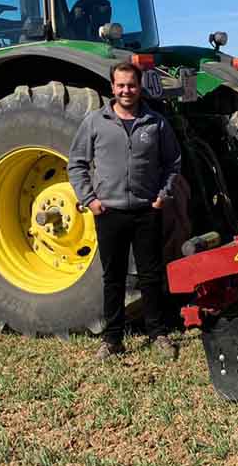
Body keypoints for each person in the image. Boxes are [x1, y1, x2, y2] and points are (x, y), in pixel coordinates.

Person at [68, 62, 182, 360]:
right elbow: (77, 163)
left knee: (150, 275)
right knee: (113, 277)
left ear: (139, 87)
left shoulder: (155, 123)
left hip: (147, 211)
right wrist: (89, 200)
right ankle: (113, 339)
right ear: (112, 88)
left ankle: (158, 334)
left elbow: (173, 163)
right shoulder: (95, 122)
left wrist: (163, 195)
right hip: (109, 212)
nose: (126, 90)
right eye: (120, 85)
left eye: (131, 85)